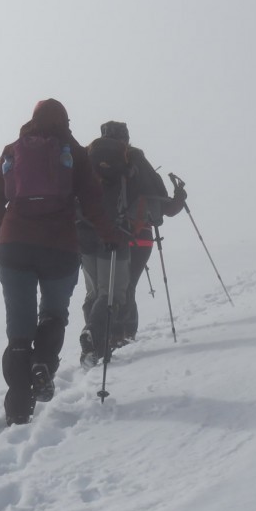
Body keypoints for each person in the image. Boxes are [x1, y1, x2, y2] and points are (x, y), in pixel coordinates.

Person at [0, 99, 121, 426]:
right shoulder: (73, 153)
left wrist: (0, 246)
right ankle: (43, 363)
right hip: (59, 247)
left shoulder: (12, 151)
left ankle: (18, 407)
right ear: (65, 121)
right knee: (54, 313)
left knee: (18, 331)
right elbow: (92, 202)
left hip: (14, 247)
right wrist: (109, 234)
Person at [97, 121, 187, 345]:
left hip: (104, 237)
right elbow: (163, 205)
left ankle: (106, 336)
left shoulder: (95, 162)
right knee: (128, 286)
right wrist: (180, 198)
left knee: (108, 289)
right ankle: (124, 334)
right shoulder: (137, 160)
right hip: (140, 235)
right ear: (127, 138)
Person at [76, 129, 157, 368]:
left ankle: (96, 347)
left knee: (94, 293)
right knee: (114, 292)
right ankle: (99, 334)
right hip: (119, 234)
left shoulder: (86, 157)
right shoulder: (131, 160)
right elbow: (154, 192)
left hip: (84, 233)